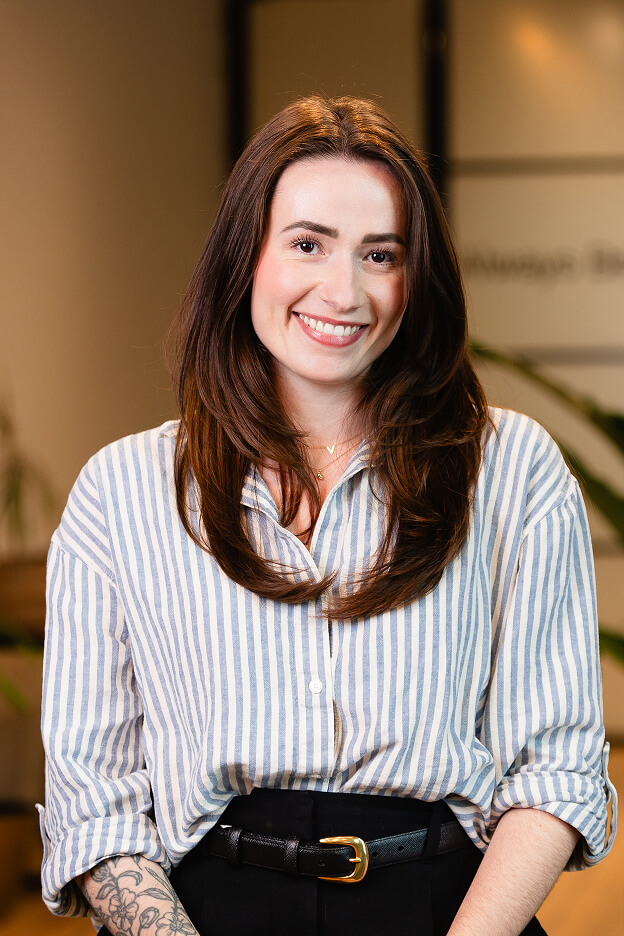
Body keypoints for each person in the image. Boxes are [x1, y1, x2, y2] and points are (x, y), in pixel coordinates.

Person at [39, 96, 616, 936]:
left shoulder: (514, 472)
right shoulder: (120, 491)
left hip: (453, 909)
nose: (342, 291)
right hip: (199, 910)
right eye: (307, 243)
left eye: (380, 254)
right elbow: (95, 805)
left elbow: (556, 772)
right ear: (247, 257)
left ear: (416, 279)